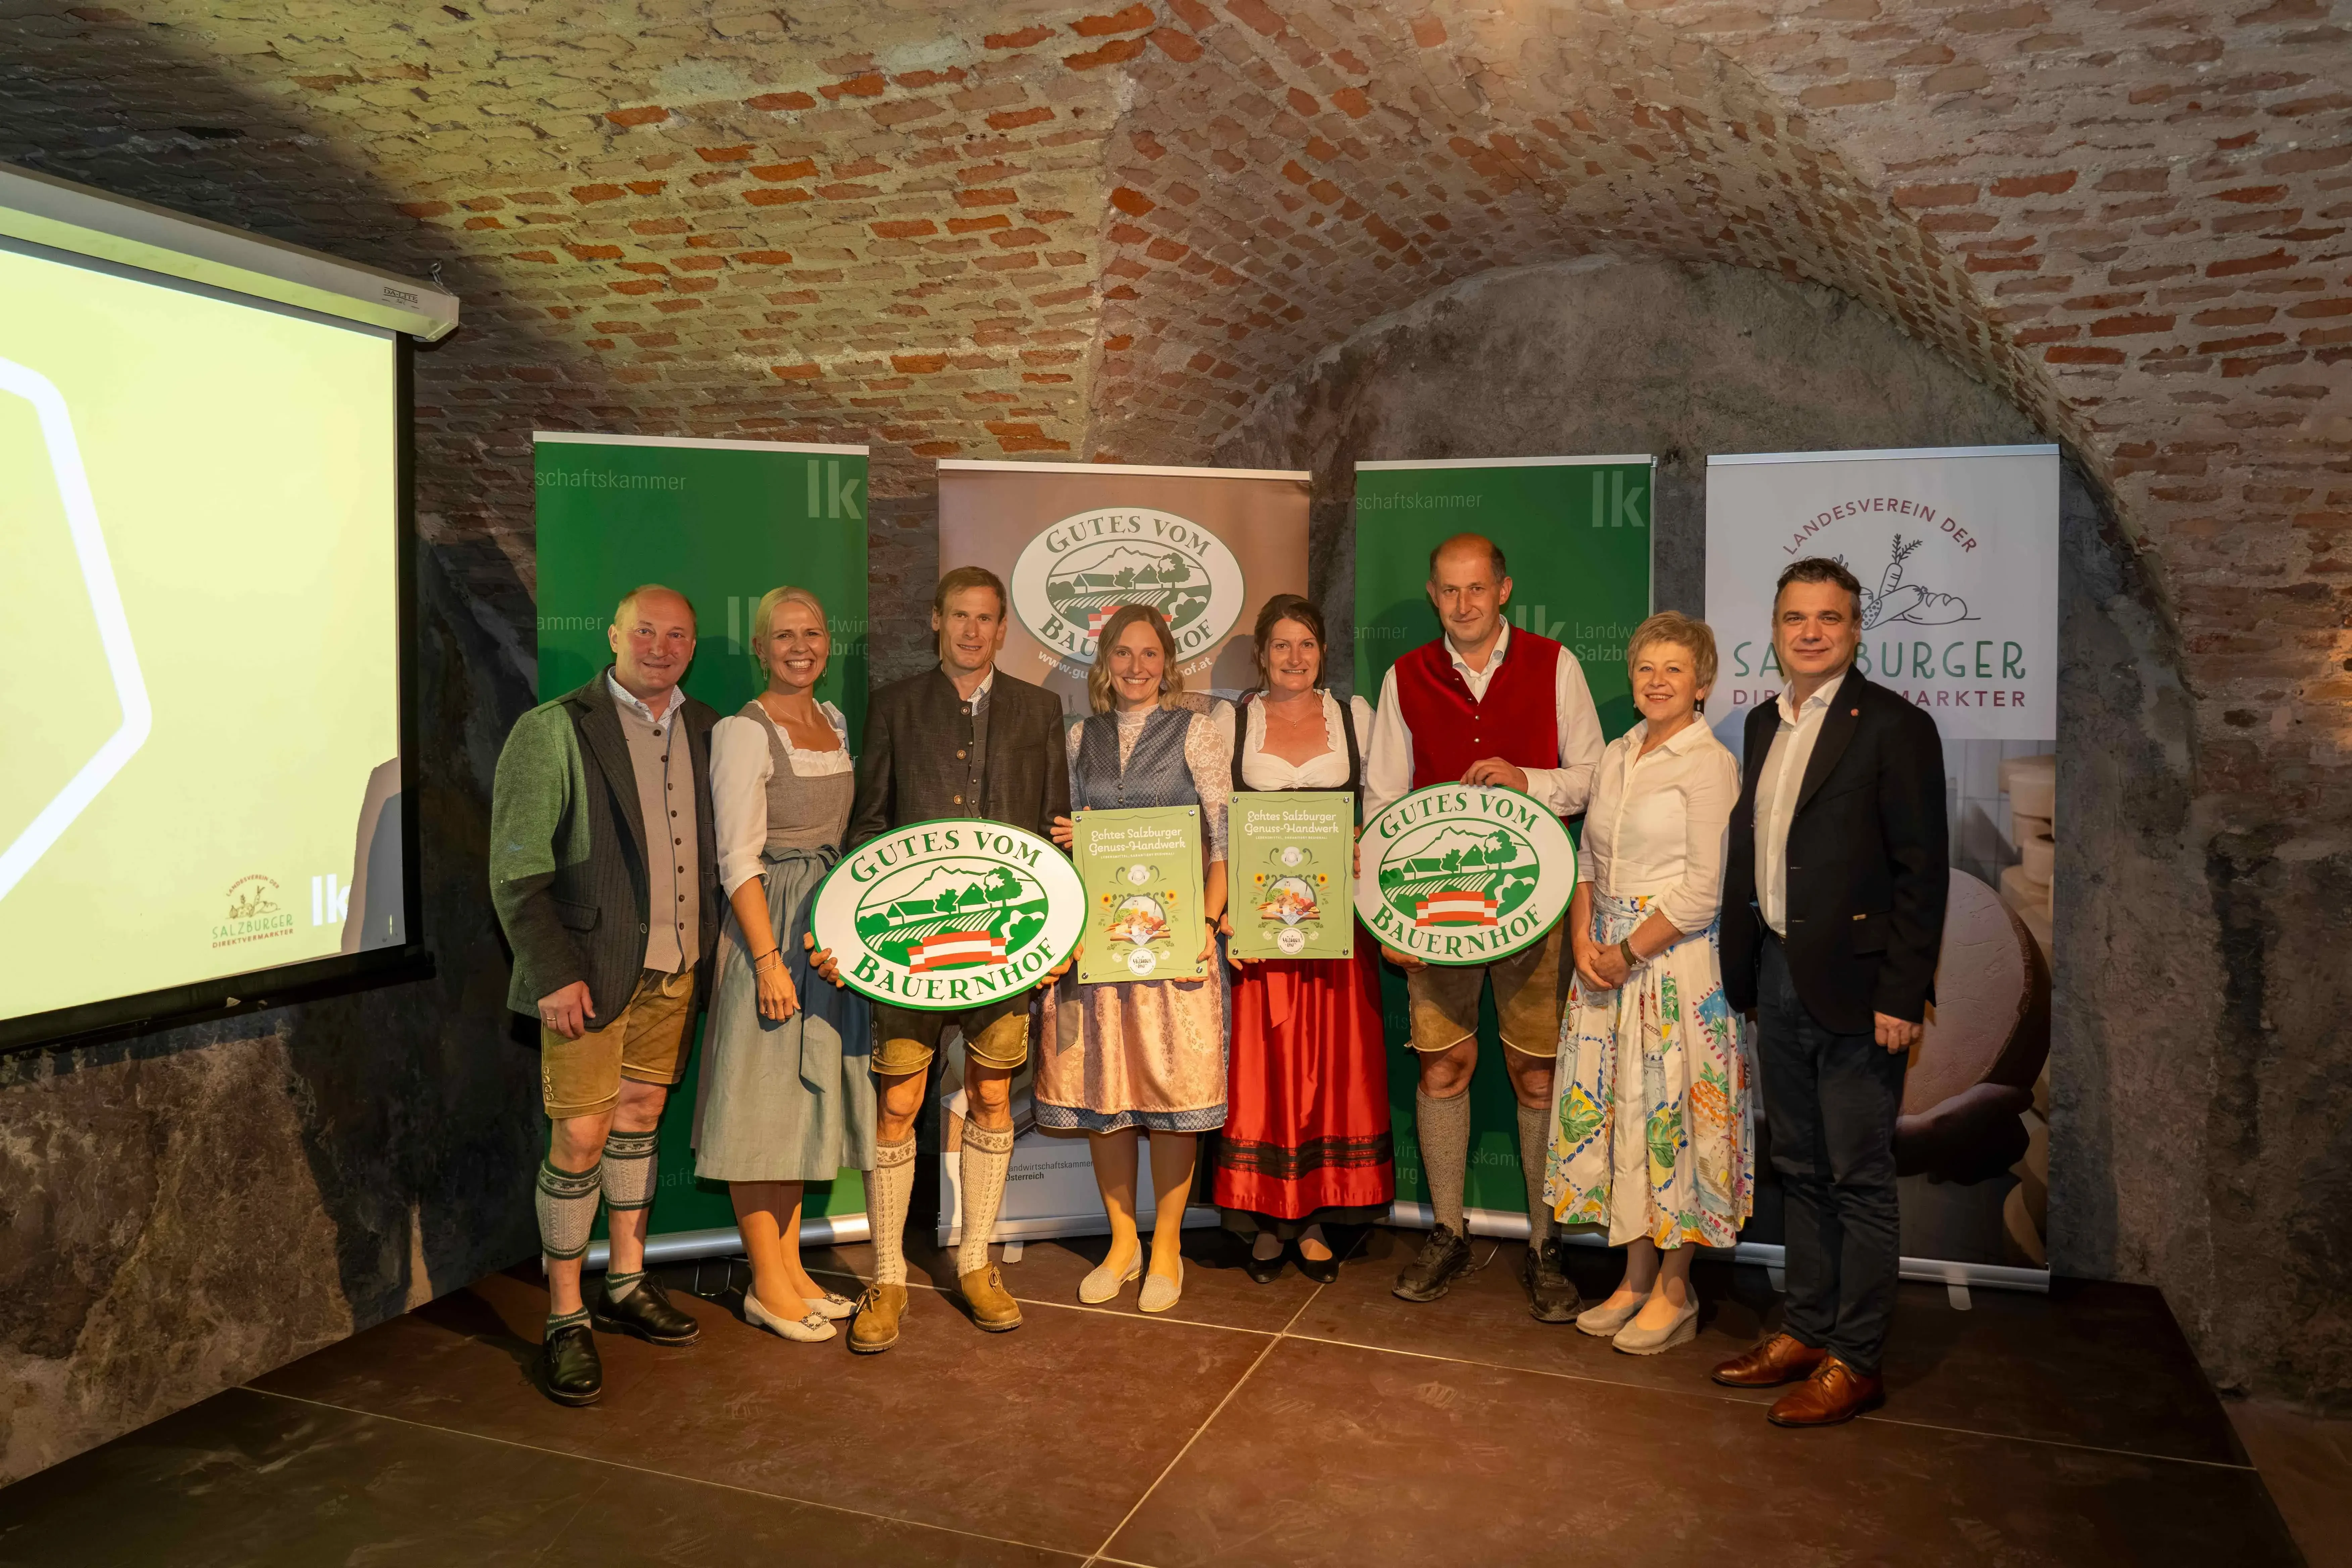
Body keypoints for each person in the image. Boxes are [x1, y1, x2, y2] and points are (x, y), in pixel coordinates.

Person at [1711, 557, 1948, 1426]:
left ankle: (1858, 1357)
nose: (1811, 632)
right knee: (1801, 1169)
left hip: (1859, 992)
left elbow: (1922, 872)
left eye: (1830, 619)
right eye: (1795, 618)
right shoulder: (1766, 726)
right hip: (1776, 974)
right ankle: (1806, 1331)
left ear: (1856, 629)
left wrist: (1903, 992)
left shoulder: (1896, 726)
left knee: (1858, 1178)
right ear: (1775, 629)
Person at [809, 566, 1070, 1353]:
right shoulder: (893, 705)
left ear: (1001, 630)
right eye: (959, 615)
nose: (971, 630)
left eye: (986, 618)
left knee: (994, 1094)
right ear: (935, 620)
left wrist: (1056, 934)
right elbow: (867, 830)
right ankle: (887, 1276)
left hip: (1005, 953)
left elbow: (1056, 832)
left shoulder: (1041, 708)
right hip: (912, 956)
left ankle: (976, 1262)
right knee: (898, 1104)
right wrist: (855, 935)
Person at [1363, 533, 1605, 1319]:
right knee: (1444, 1069)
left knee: (1537, 1074)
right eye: (1449, 591)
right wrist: (1386, 914)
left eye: (1478, 589)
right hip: (1436, 915)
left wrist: (1525, 778)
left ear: (1504, 589)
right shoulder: (1406, 677)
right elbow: (1381, 804)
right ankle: (1448, 1232)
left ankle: (1543, 1243)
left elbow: (1597, 774)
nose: (1464, 604)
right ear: (1434, 596)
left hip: (1535, 909)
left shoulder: (1555, 663)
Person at [488, 585, 718, 1407]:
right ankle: (564, 1315)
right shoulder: (552, 728)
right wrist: (551, 972)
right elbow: (516, 869)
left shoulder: (704, 726)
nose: (661, 645)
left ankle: (626, 1280)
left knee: (639, 1122)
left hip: (677, 971)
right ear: (612, 633)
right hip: (586, 974)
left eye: (678, 634)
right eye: (646, 630)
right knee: (579, 1138)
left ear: (692, 646)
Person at [1545, 612, 1749, 1354]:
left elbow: (1702, 889)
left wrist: (1626, 950)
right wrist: (1582, 939)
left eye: (1674, 669)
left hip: (1674, 966)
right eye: (1645, 668)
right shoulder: (1621, 752)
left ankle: (1675, 1288)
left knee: (1677, 1120)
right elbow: (1590, 861)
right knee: (1623, 1115)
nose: (1657, 681)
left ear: (1702, 684)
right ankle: (1633, 1276)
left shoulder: (1708, 762)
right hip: (1604, 961)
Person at [694, 586, 873, 1344]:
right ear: (761, 647)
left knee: (799, 1103)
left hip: (822, 932)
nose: (801, 645)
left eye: (814, 631)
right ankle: (766, 1283)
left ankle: (794, 1268)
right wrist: (767, 959)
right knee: (759, 1103)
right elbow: (736, 857)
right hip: (769, 927)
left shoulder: (830, 722)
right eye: (785, 635)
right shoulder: (744, 730)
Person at [1040, 604, 1231, 1313]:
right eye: (1123, 653)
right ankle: (1123, 1242)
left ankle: (1169, 1244)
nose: (1137, 667)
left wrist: (1207, 924)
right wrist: (1066, 833)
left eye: (1150, 654)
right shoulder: (1078, 737)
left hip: (1175, 941)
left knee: (1172, 1094)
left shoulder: (1198, 733)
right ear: (1104, 662)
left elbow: (1224, 837)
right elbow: (1065, 831)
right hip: (1099, 942)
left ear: (1169, 662)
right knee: (1106, 1092)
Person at [1210, 594, 1392, 1284]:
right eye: (1281, 645)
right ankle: (1265, 1217)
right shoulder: (1231, 722)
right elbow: (1217, 820)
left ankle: (1317, 1216)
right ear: (1261, 654)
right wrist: (1221, 907)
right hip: (1261, 921)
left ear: (1323, 652)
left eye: (1306, 644)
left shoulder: (1355, 716)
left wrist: (1362, 846)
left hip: (1336, 920)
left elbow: (1382, 806)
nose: (1294, 657)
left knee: (1331, 1068)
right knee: (1266, 1071)